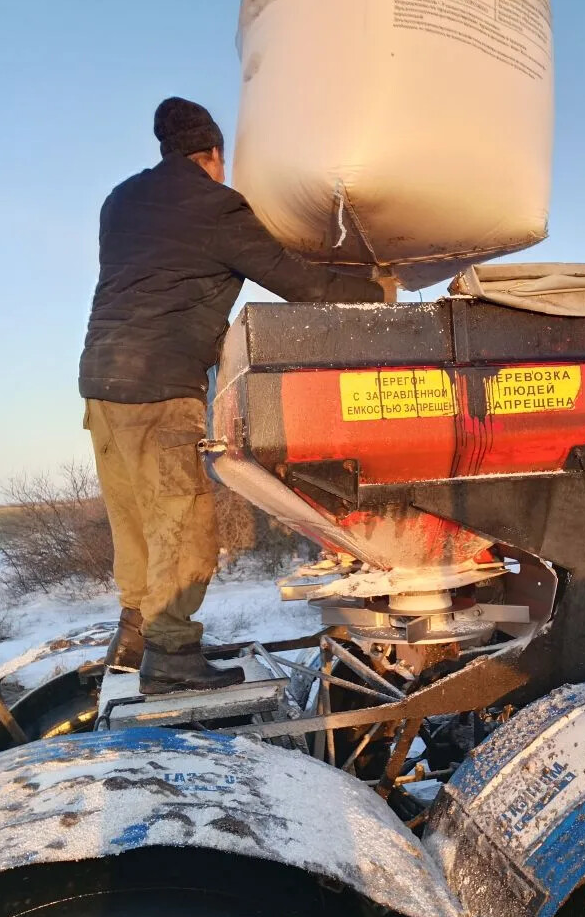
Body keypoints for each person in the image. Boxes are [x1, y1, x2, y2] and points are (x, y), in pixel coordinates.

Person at [80, 97, 385, 695]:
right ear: (214, 153)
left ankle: (136, 635)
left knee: (134, 518)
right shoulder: (215, 207)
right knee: (183, 523)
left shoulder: (120, 201)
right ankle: (171, 656)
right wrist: (378, 295)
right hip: (160, 386)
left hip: (101, 384)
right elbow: (295, 280)